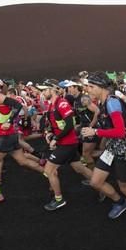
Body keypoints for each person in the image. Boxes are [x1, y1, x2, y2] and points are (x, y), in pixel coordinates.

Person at [81, 72, 126, 226]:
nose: (88, 90)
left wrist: (96, 132)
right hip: (111, 149)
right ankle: (120, 202)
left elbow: (120, 132)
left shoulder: (112, 103)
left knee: (125, 187)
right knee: (95, 182)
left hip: (123, 151)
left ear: (101, 87)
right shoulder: (103, 102)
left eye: (91, 87)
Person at [0, 89, 45, 205]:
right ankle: (48, 173)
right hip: (10, 136)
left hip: (6, 137)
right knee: (23, 161)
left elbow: (18, 105)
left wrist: (9, 121)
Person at [41, 82, 94, 211]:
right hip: (66, 143)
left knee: (49, 170)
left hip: (67, 143)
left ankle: (59, 199)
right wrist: (50, 133)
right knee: (80, 168)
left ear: (52, 90)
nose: (42, 93)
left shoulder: (62, 103)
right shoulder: (51, 105)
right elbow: (55, 124)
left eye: (44, 90)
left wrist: (55, 138)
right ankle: (101, 184)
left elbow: (69, 125)